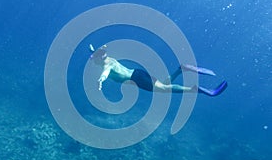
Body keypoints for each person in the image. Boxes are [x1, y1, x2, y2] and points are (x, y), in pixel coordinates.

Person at [89, 44, 227, 96]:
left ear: (98, 59)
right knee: (163, 84)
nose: (93, 62)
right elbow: (101, 54)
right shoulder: (109, 59)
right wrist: (95, 51)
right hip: (138, 73)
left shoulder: (107, 65)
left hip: (136, 78)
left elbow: (105, 73)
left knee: (164, 88)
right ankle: (181, 69)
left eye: (93, 59)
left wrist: (100, 81)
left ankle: (197, 90)